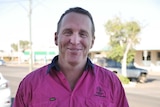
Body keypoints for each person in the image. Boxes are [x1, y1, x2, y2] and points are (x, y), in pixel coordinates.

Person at [13, 7, 129, 107]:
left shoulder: (111, 83)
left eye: (83, 34)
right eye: (68, 32)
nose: (74, 41)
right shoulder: (30, 84)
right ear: (56, 38)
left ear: (92, 42)